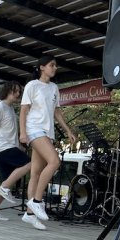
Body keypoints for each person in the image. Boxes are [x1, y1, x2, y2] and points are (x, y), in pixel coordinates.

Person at [19, 55, 76, 230]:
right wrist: (22, 133)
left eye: (56, 65)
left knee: (36, 173)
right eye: (52, 65)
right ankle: (37, 201)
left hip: (47, 132)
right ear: (41, 67)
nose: (55, 68)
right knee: (54, 161)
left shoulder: (54, 88)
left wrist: (68, 130)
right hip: (34, 129)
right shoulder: (32, 85)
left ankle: (29, 214)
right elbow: (23, 111)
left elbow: (56, 111)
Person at [0, 81, 31, 221]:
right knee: (29, 163)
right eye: (15, 91)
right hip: (2, 148)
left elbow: (9, 131)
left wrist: (19, 146)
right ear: (7, 91)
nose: (18, 94)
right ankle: (4, 189)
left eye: (19, 92)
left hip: (9, 146)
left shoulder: (10, 109)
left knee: (7, 181)